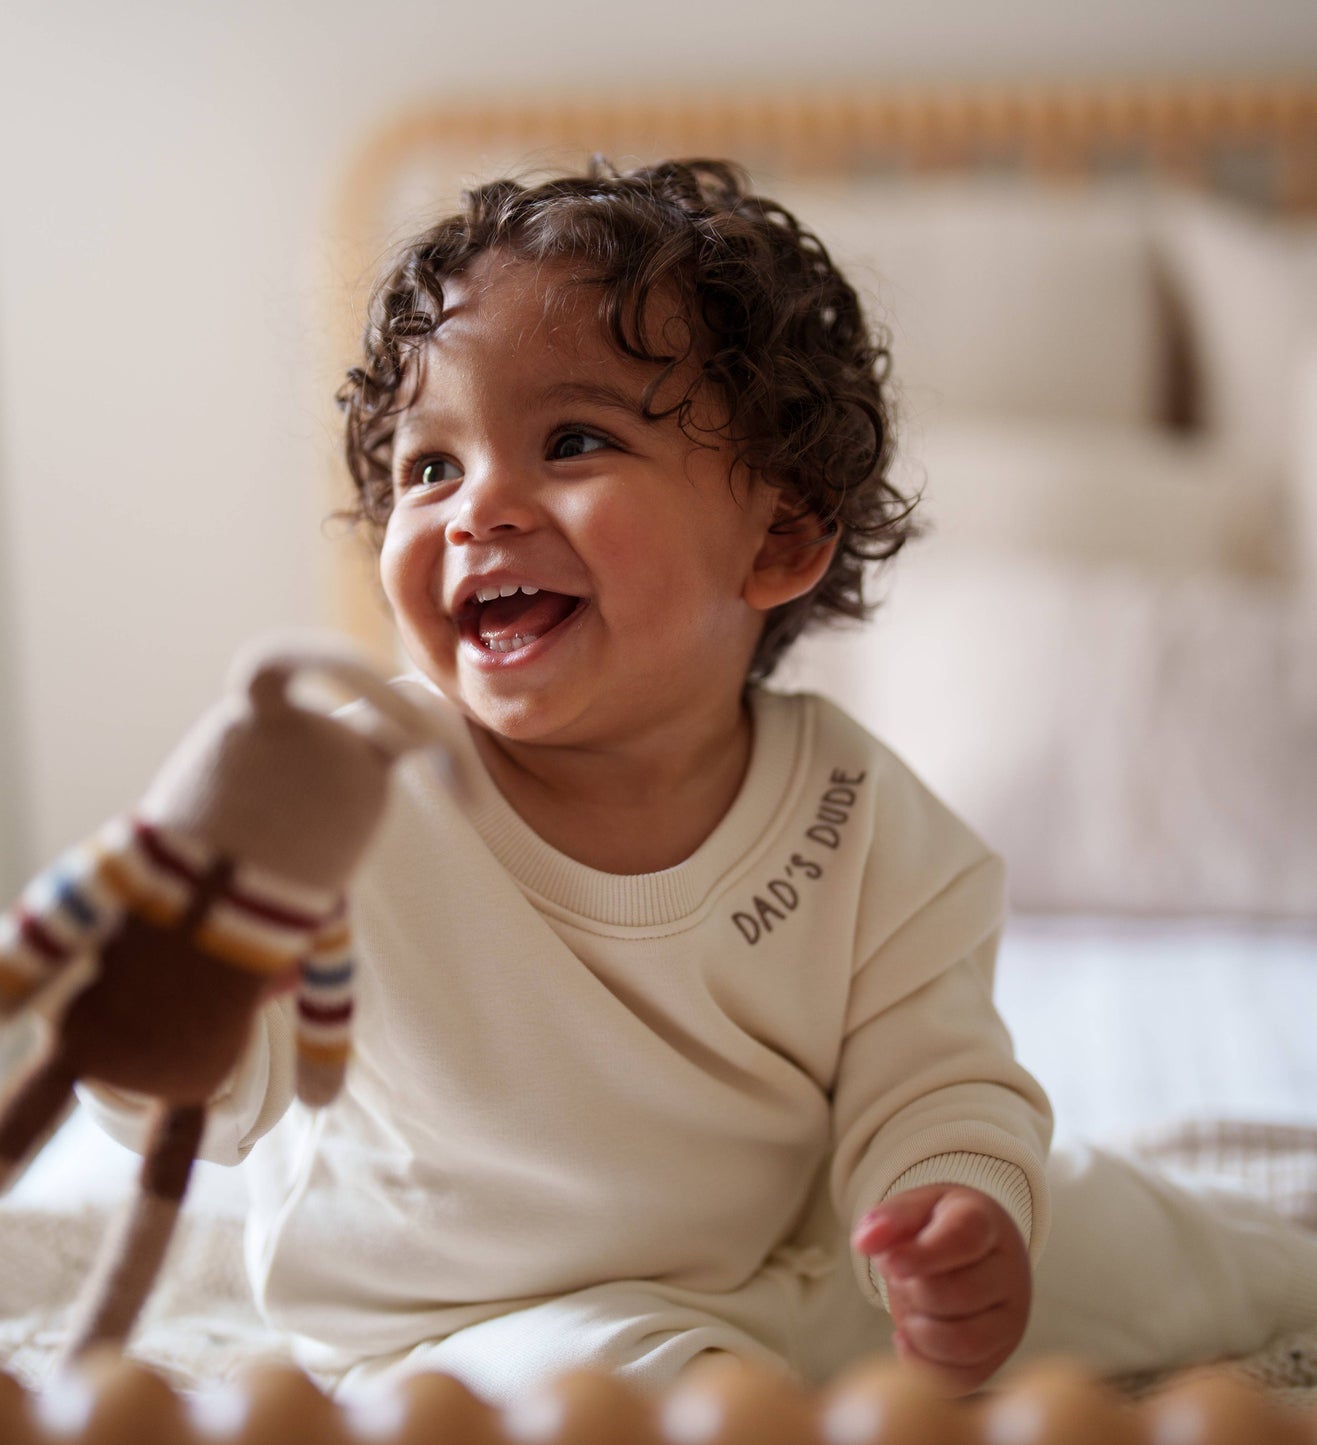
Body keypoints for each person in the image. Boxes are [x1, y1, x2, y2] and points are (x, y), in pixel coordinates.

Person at [87, 159, 1317, 1401]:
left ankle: (1283, 1261)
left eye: (569, 440)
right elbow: (180, 1099)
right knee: (652, 1392)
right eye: (429, 467)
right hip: (479, 1327)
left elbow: (930, 1070)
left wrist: (952, 1203)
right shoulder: (353, 797)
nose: (473, 510)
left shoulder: (853, 807)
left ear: (779, 535)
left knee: (1100, 1227)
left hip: (810, 1250)